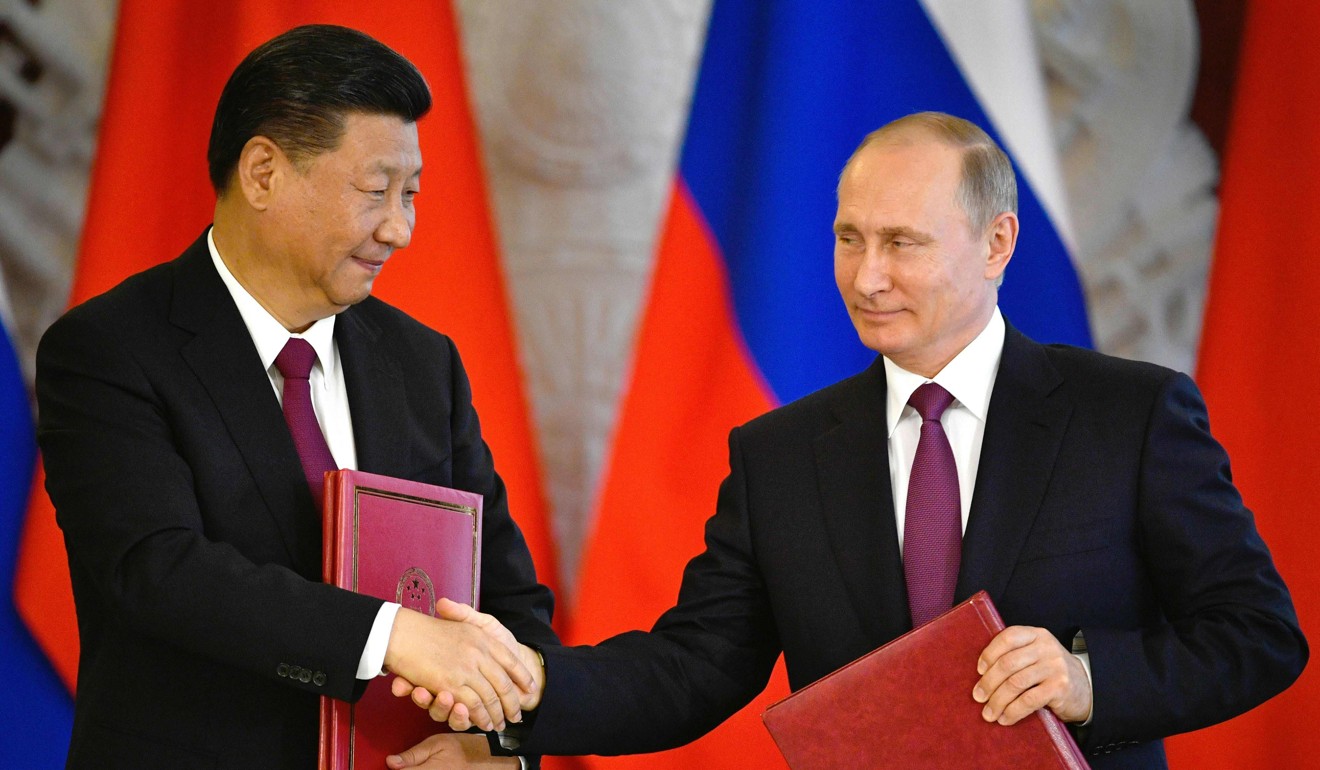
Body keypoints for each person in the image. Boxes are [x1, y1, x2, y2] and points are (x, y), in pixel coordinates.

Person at [391, 112, 1307, 770]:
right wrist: (519, 687)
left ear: (998, 243)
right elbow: (692, 669)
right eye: (848, 239)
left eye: (903, 243)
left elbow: (1259, 636)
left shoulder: (1133, 415)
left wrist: (1087, 678)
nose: (867, 277)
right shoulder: (780, 454)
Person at [36, 25, 555, 769]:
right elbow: (157, 571)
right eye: (375, 192)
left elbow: (509, 600)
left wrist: (496, 740)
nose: (399, 229)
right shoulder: (111, 349)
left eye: (410, 195)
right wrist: (394, 637)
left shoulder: (421, 362)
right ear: (262, 173)